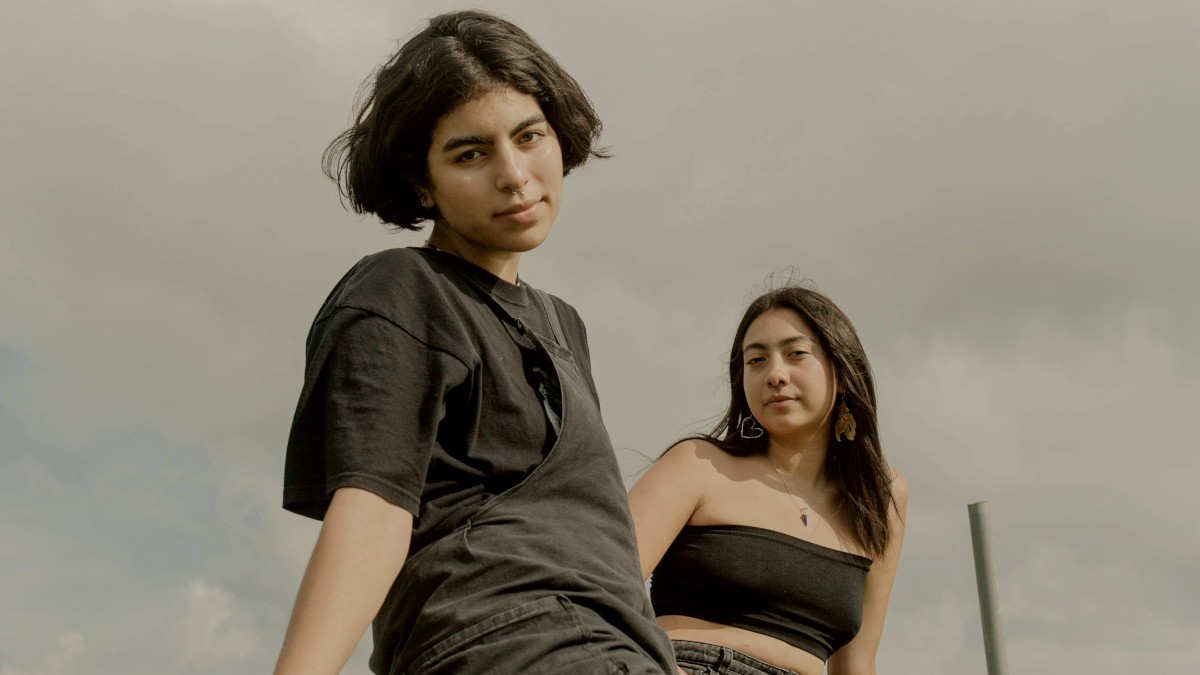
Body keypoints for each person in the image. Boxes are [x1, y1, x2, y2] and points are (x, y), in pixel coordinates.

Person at [274, 11, 675, 675]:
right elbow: (372, 510)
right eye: (471, 153)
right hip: (504, 643)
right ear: (420, 181)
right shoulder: (402, 288)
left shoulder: (563, 323)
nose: (514, 174)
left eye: (529, 137)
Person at [628, 285, 908, 675]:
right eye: (756, 361)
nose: (775, 375)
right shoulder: (697, 464)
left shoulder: (879, 495)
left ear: (843, 372)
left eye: (796, 354)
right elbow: (603, 584)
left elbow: (857, 663)